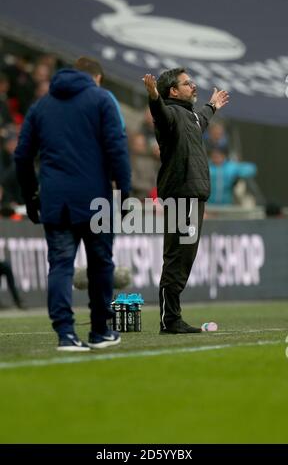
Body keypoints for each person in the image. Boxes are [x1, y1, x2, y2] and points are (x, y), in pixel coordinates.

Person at [15, 56, 131, 351]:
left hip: (55, 199)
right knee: (101, 263)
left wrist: (30, 197)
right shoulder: (102, 100)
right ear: (96, 78)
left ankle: (66, 334)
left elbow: (22, 156)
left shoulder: (41, 105)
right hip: (96, 199)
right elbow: (117, 147)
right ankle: (100, 331)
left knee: (61, 265)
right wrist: (125, 191)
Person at [143, 69, 229, 334]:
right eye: (187, 83)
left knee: (183, 257)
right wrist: (154, 96)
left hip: (191, 195)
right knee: (177, 258)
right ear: (173, 91)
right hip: (182, 195)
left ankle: (171, 318)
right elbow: (160, 112)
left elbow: (200, 119)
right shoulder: (169, 115)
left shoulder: (190, 116)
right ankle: (170, 320)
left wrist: (212, 106)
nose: (194, 86)